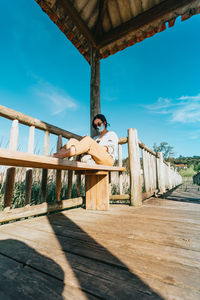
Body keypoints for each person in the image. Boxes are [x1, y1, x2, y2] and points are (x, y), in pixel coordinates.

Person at [52, 114, 118, 166]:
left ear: (105, 123)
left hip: (108, 159)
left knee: (88, 140)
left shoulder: (111, 134)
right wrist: (86, 144)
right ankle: (60, 153)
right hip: (96, 159)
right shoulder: (96, 138)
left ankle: (57, 156)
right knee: (73, 140)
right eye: (95, 125)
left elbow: (110, 149)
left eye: (99, 124)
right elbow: (92, 148)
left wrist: (90, 144)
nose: (97, 126)